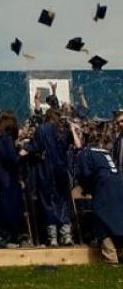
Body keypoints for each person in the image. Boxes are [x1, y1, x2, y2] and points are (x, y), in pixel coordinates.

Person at [21, 109, 81, 246]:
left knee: (48, 202)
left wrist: (23, 148)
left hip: (46, 170)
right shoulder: (64, 130)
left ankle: (52, 238)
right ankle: (66, 236)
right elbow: (78, 145)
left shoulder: (42, 129)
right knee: (63, 202)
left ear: (46, 117)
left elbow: (37, 146)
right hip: (62, 171)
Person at [76, 128, 123, 264]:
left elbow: (84, 174)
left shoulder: (85, 152)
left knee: (100, 217)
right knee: (118, 217)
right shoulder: (104, 151)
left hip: (103, 186)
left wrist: (86, 189)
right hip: (117, 183)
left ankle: (111, 256)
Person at [0, 110, 25, 247]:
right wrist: (21, 154)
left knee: (3, 208)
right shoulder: (7, 138)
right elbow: (12, 159)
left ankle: (5, 237)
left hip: (0, 176)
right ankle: (8, 238)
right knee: (11, 208)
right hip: (9, 179)